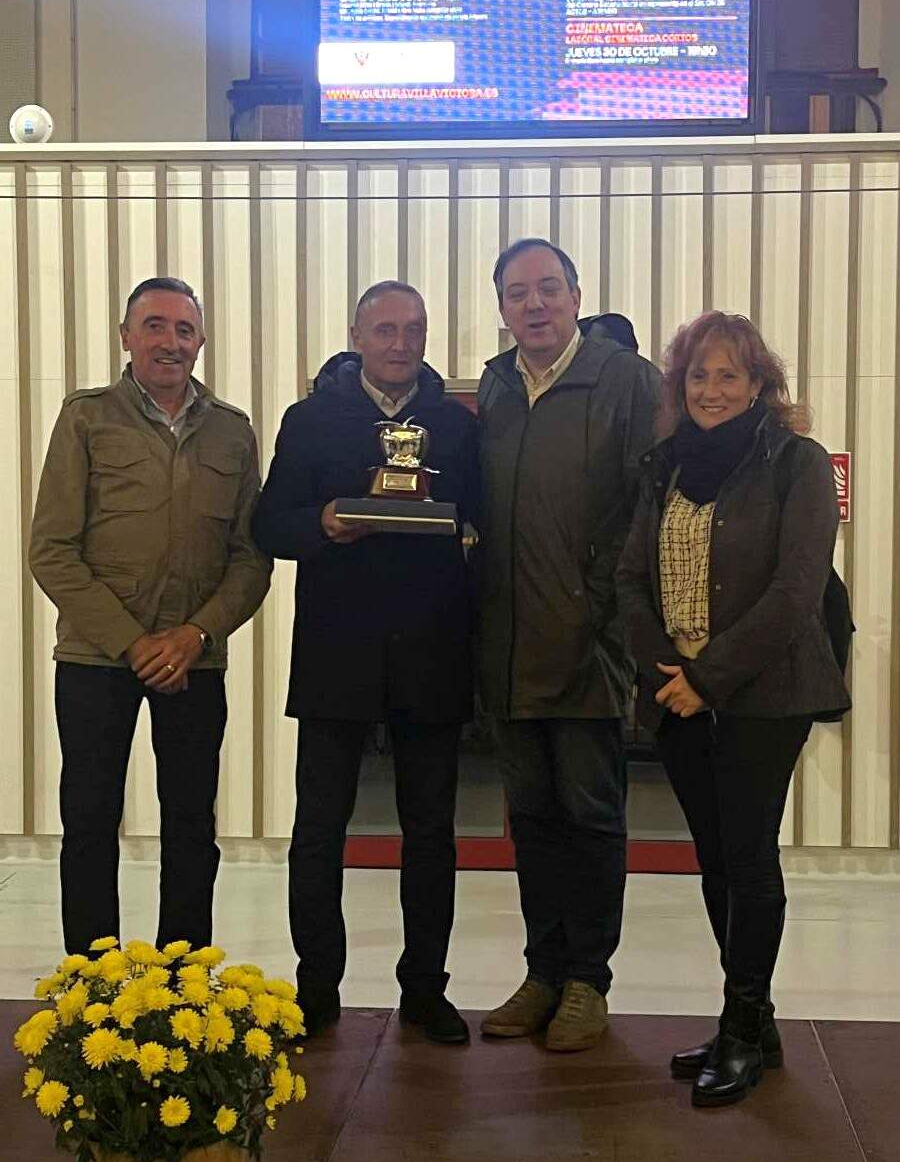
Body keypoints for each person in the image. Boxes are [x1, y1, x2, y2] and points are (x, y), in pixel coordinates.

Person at [616, 311, 851, 1107]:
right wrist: (665, 672)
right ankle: (755, 1021)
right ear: (679, 388)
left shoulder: (797, 462)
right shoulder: (665, 467)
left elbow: (796, 591)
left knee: (748, 857)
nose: (711, 390)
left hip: (764, 693)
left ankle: (743, 1029)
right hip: (677, 692)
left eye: (728, 375)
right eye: (697, 376)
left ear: (759, 384)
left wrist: (708, 678)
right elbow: (628, 580)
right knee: (716, 860)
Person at [251, 281, 479, 1044]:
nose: (401, 343)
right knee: (318, 830)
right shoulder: (310, 419)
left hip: (430, 653)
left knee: (431, 833)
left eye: (414, 329)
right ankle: (315, 988)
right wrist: (320, 520)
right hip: (335, 655)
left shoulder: (454, 423)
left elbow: (476, 522)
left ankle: (425, 988)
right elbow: (268, 524)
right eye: (385, 329)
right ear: (356, 334)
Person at [29, 276, 272, 956]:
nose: (171, 342)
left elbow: (251, 557)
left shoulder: (231, 431)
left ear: (199, 341)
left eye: (184, 330)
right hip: (95, 659)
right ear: (127, 337)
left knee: (193, 826)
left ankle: (182, 984)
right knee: (89, 821)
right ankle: (94, 986)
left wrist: (196, 635)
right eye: (156, 326)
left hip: (196, 659)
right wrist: (134, 642)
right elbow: (50, 549)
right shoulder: (87, 418)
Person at [477, 239, 659, 1051]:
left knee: (591, 817)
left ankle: (589, 979)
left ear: (577, 294)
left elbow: (647, 512)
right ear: (503, 307)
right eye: (518, 294)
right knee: (533, 818)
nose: (535, 305)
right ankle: (543, 970)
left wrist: (614, 620)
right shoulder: (494, 384)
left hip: (590, 645)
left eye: (549, 288)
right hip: (508, 647)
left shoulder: (626, 379)